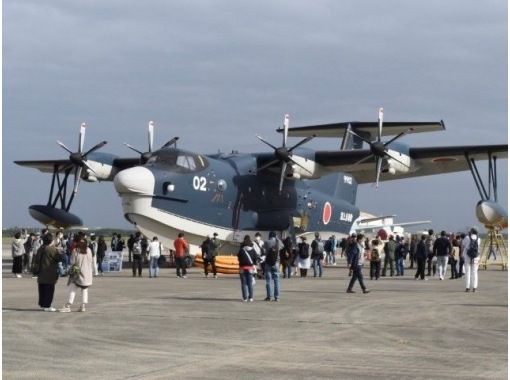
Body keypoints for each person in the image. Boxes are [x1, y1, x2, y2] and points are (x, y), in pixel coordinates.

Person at [59, 237, 93, 312]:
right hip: (87, 274)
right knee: (84, 289)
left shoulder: (75, 251)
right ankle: (83, 306)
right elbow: (91, 261)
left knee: (72, 289)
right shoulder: (89, 250)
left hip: (77, 274)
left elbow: (72, 262)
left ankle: (68, 305)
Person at [33, 233, 63, 311]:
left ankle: (43, 304)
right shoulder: (52, 249)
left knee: (42, 289)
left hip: (41, 272)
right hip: (49, 272)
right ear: (51, 241)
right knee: (49, 290)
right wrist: (59, 250)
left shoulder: (41, 248)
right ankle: (47, 305)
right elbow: (59, 258)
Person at [237, 235, 257, 302]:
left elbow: (238, 258)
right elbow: (255, 258)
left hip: (242, 268)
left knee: (243, 283)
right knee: (250, 283)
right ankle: (251, 297)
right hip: (250, 268)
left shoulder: (241, 250)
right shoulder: (253, 249)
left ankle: (245, 298)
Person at [263, 231, 281, 301]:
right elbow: (282, 246)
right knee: (277, 280)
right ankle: (277, 297)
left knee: (268, 280)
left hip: (268, 263)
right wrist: (277, 238)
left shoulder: (266, 242)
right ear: (275, 236)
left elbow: (263, 248)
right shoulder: (278, 242)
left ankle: (269, 296)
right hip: (276, 263)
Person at [462, 228, 481, 292]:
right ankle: (474, 288)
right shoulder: (479, 239)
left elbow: (463, 244)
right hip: (476, 257)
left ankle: (467, 287)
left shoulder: (467, 237)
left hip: (467, 256)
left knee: (467, 272)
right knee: (474, 272)